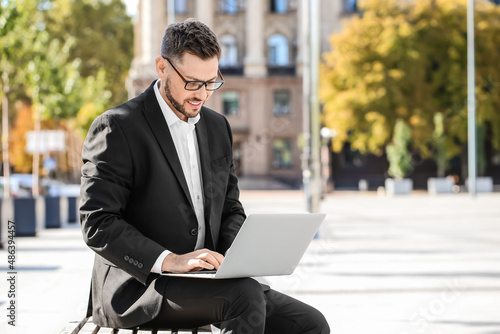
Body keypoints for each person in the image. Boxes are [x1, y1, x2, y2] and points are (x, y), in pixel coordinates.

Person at [80, 19, 330, 334]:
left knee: (310, 324)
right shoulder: (118, 127)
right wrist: (170, 260)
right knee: (245, 297)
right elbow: (97, 223)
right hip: (142, 286)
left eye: (211, 82)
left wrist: (232, 257)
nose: (202, 94)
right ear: (162, 67)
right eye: (192, 82)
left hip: (207, 282)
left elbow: (230, 207)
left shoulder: (216, 127)